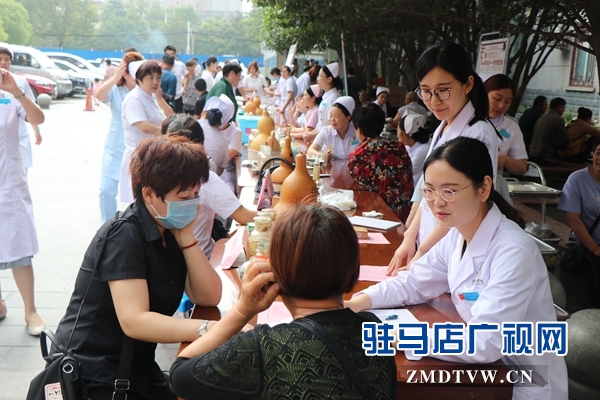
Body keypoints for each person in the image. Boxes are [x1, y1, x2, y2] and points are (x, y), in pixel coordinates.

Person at [347, 137, 566, 400]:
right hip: (485, 373)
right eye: (429, 191)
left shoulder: (513, 251)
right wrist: (358, 302)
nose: (437, 202)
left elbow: (486, 341)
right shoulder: (457, 235)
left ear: (483, 188)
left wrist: (399, 336)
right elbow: (414, 282)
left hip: (520, 380)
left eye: (449, 191)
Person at [53, 136, 222, 399]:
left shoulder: (169, 230)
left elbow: (208, 296)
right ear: (149, 194)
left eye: (196, 195)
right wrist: (208, 329)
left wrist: (187, 238)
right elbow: (135, 321)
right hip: (93, 375)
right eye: (183, 197)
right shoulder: (124, 234)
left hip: (135, 367)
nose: (193, 203)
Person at [170, 204, 397, 399]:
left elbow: (180, 376)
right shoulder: (374, 329)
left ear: (276, 272)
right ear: (353, 270)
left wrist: (242, 310)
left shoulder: (263, 347)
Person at [387, 42, 500, 275]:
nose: (434, 101)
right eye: (426, 91)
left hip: (451, 249)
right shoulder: (442, 127)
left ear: (468, 84)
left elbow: (463, 206)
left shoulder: (478, 133)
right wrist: (409, 236)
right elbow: (426, 190)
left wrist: (422, 252)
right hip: (430, 246)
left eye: (443, 90)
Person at [0, 46, 46, 335]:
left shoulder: (12, 89)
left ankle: (31, 310)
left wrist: (16, 91)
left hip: (8, 181)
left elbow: (37, 118)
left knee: (19, 245)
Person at [164, 115, 256, 258]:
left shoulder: (161, 176)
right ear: (201, 146)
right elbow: (245, 217)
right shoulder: (205, 178)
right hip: (201, 258)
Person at [94, 52, 144, 222]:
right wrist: (115, 77)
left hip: (137, 151)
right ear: (125, 73)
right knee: (106, 191)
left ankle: (135, 229)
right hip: (114, 149)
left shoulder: (144, 94)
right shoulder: (116, 90)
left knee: (137, 196)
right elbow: (99, 95)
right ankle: (107, 227)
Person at [348, 103, 413, 221]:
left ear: (360, 130)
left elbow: (359, 191)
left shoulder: (356, 156)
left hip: (372, 215)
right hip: (403, 212)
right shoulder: (399, 147)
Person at [120, 60, 174, 203]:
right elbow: (143, 126)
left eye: (158, 77)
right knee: (140, 201)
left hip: (153, 155)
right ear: (139, 79)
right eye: (151, 77)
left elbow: (170, 118)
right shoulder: (133, 99)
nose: (155, 82)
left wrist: (160, 99)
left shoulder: (151, 97)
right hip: (139, 156)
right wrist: (169, 134)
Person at [558, 137, 600, 308]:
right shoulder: (577, 179)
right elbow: (573, 219)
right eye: (598, 153)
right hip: (586, 249)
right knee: (584, 302)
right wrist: (595, 249)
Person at [484, 74, 528, 203]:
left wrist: (504, 159)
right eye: (497, 99)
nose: (501, 105)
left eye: (507, 102)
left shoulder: (511, 127)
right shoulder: (467, 118)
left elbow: (521, 167)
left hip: (494, 186)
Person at [308, 96, 359, 161]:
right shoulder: (326, 131)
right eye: (331, 115)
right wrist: (323, 156)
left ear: (348, 118)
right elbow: (310, 151)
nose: (332, 119)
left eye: (336, 116)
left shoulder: (357, 132)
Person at [200, 94, 234, 175]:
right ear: (220, 124)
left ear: (203, 112)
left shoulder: (190, 125)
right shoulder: (223, 140)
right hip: (208, 179)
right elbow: (220, 170)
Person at [529, 97, 567, 162]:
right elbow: (562, 139)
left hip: (532, 151)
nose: (564, 110)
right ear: (559, 107)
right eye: (563, 107)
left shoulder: (542, 117)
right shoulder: (558, 119)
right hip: (544, 154)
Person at [397, 113, 430, 183]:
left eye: (398, 130)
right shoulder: (409, 146)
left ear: (404, 134)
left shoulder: (421, 151)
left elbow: (405, 172)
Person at [164, 45, 186, 113]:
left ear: (175, 55)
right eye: (168, 54)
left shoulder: (180, 65)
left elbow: (187, 76)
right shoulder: (161, 67)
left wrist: (184, 89)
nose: (170, 56)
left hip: (178, 97)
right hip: (165, 98)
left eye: (172, 54)